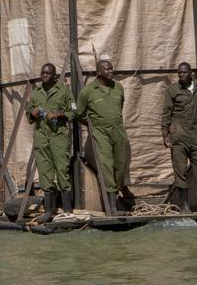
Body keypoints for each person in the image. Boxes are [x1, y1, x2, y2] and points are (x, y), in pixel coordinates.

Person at [161, 62, 197, 213]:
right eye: (179, 73)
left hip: (195, 134)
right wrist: (165, 135)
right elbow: (166, 114)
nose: (181, 75)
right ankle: (184, 205)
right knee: (180, 170)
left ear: (190, 73)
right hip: (178, 134)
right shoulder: (173, 90)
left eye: (184, 72)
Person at [26, 62, 77, 223]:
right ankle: (49, 211)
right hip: (42, 137)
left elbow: (74, 112)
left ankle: (67, 209)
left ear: (54, 76)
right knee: (45, 172)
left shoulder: (64, 92)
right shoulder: (36, 93)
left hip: (58, 137)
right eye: (43, 72)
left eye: (48, 73)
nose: (44, 75)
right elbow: (29, 116)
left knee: (62, 170)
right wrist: (32, 114)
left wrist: (58, 114)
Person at [77, 59, 131, 207]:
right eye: (107, 69)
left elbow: (119, 108)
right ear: (98, 72)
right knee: (106, 164)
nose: (111, 71)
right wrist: (92, 124)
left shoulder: (118, 88)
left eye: (111, 69)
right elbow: (79, 113)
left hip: (118, 130)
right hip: (100, 131)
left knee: (121, 163)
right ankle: (112, 206)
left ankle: (120, 189)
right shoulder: (88, 91)